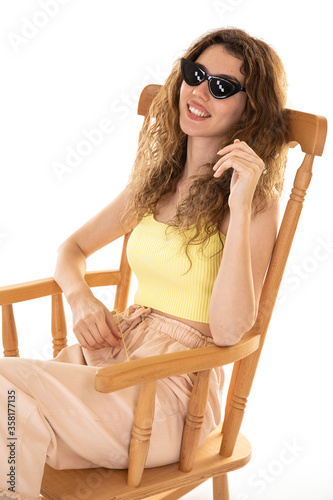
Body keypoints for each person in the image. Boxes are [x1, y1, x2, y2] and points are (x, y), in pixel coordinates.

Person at [0, 27, 289, 499]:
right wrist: (81, 301)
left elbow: (231, 331)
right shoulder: (155, 183)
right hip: (117, 355)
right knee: (9, 411)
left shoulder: (254, 203)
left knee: (4, 397)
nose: (199, 92)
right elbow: (69, 251)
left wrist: (239, 206)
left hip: (174, 395)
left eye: (221, 87)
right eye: (195, 75)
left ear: (248, 108)